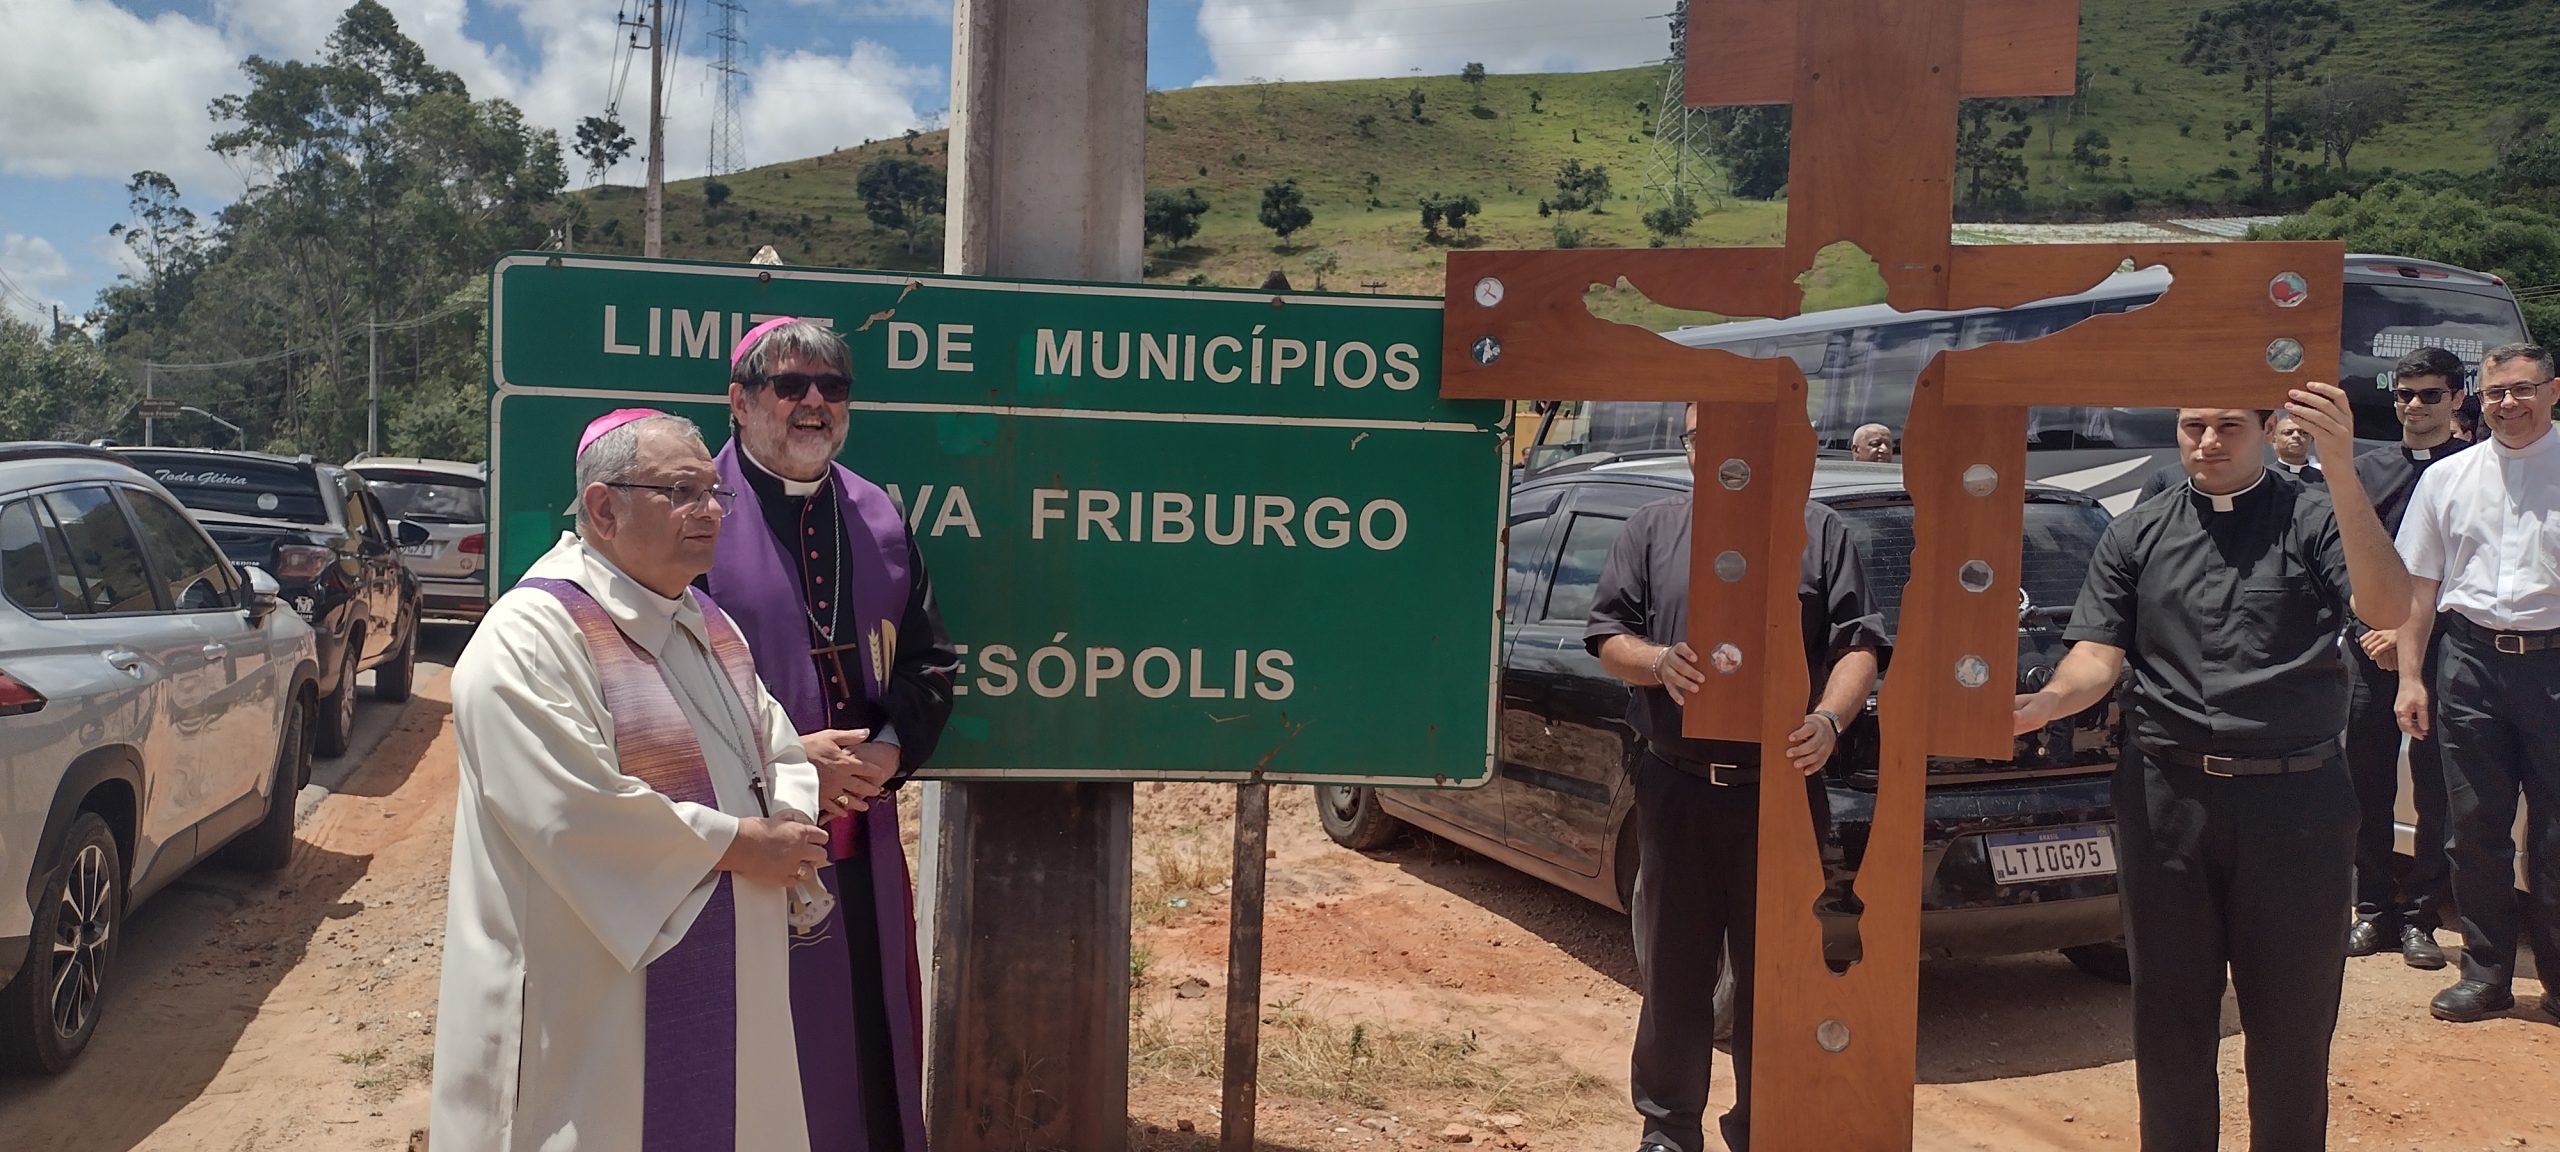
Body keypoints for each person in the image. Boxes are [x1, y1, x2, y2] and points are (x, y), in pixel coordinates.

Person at [2013, 384, 2410, 1151]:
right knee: (2169, 1018)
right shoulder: (2137, 532)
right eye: (2194, 426)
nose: (2209, 443)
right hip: (2167, 798)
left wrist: (2342, 469)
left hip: (2296, 803)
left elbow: (2388, 606)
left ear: (2268, 429)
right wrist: (2048, 702)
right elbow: (2097, 655)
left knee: (2292, 1021)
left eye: (2230, 426)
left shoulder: (2316, 519)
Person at [433, 410, 834, 1150]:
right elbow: (570, 814)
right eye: (682, 491)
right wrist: (742, 845)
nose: (711, 511)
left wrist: (789, 818)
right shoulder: (530, 636)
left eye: (716, 492)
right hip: (590, 996)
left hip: (733, 969)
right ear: (602, 507)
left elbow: (774, 750)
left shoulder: (709, 624)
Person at [1587, 404, 1887, 1152]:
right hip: (1678, 785)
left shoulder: (1821, 532)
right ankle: (1667, 1130)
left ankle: (1766, 1127)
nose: (1719, 454)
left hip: (1784, 791)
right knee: (1674, 973)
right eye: (1703, 439)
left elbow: (1860, 647)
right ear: (1690, 448)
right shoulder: (1651, 528)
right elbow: (1605, 635)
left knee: (1778, 976)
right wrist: (1657, 661)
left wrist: (1828, 721)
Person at [701, 317, 954, 1150]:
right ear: (740, 402)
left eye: (833, 387)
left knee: (866, 1050)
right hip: (737, 843)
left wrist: (887, 749)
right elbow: (645, 688)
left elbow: (929, 663)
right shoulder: (689, 513)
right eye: (790, 386)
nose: (815, 403)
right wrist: (787, 760)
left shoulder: (877, 513)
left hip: (861, 840)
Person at [2392, 342, 2560, 1025]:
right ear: (2477, 400)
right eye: (2494, 393)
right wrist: (2410, 677)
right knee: (2475, 830)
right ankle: (2487, 974)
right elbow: (2419, 587)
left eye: (2522, 389)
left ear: (2554, 390)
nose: (2508, 404)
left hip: (2555, 665)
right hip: (2470, 664)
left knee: (2555, 835)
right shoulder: (2447, 479)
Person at [2343, 347, 2472, 970]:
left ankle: (2421, 914)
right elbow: (2341, 559)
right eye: (2403, 395)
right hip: (2368, 650)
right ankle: (2372, 909)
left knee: (2435, 791)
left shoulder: (2475, 469)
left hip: (2448, 652)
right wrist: (2374, 629)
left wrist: (2410, 636)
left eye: (2428, 395)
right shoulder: (2363, 472)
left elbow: (2474, 566)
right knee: (2362, 782)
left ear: (2456, 399)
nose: (2414, 406)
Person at [2268, 411, 2326, 484]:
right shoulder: (2264, 478)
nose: (2296, 436)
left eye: (2304, 432)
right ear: (2274, 440)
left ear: (2311, 439)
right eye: (2288, 432)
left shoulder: (2327, 481)